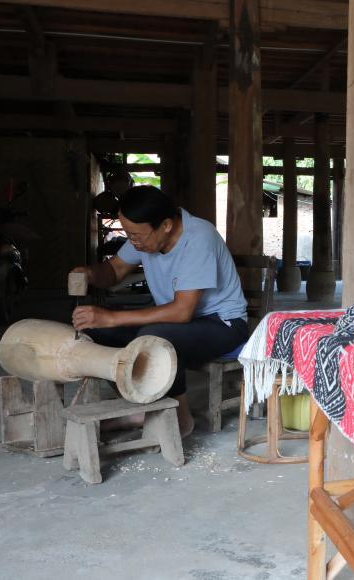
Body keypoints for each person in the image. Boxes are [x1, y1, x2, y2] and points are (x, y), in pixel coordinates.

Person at [72, 186, 248, 436]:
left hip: (223, 324)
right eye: (129, 235)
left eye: (137, 236)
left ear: (166, 225)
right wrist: (90, 273)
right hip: (176, 321)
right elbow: (115, 270)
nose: (133, 242)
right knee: (95, 331)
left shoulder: (199, 237)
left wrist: (110, 317)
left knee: (157, 338)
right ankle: (141, 405)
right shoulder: (144, 237)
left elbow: (182, 312)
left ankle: (179, 417)